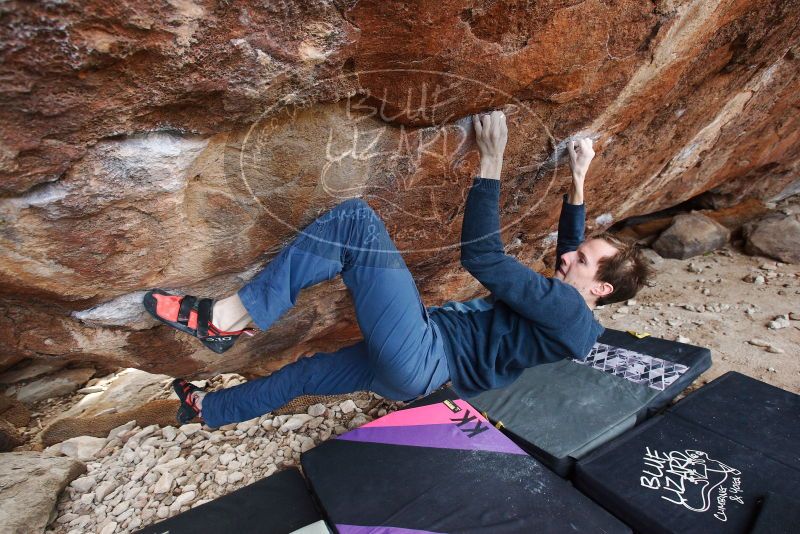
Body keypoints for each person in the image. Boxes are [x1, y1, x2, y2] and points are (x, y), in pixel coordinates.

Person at [145, 111, 651, 427]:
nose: (566, 257)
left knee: (357, 223)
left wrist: (491, 160)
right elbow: (571, 249)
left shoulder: (564, 308)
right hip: (419, 375)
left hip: (425, 351)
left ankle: (226, 318)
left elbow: (482, 258)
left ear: (601, 288)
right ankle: (207, 410)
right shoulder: (578, 316)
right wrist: (578, 178)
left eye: (581, 261)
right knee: (304, 375)